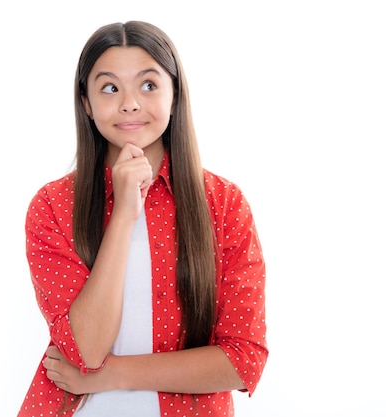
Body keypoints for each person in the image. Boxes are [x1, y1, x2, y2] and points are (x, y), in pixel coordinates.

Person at [17, 20, 267, 417]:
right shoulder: (53, 205)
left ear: (174, 93)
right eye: (110, 87)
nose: (130, 103)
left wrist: (110, 374)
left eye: (148, 85)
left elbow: (242, 360)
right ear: (86, 102)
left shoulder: (223, 204)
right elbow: (85, 349)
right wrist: (123, 215)